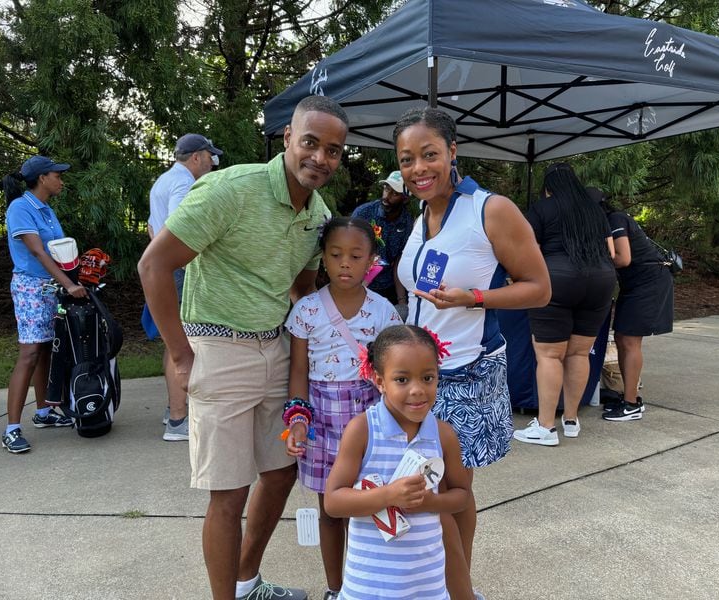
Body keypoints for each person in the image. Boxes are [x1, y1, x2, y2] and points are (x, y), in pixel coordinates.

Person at [138, 94, 348, 600]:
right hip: (218, 347)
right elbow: (153, 265)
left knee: (281, 474)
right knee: (229, 493)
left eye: (333, 150)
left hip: (275, 349)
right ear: (288, 140)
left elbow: (301, 290)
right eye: (310, 143)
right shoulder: (231, 189)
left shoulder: (318, 215)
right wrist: (183, 354)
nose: (320, 158)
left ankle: (246, 581)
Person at [393, 107, 551, 597]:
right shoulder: (422, 215)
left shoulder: (491, 209)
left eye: (429, 155)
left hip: (465, 374)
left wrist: (475, 297)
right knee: (424, 487)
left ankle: (458, 591)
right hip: (417, 376)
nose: (418, 169)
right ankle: (436, 582)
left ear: (453, 152)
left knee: (452, 492)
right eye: (406, 159)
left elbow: (539, 288)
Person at [284, 216, 402, 600]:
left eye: (355, 255)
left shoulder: (384, 312)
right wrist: (298, 421)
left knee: (373, 505)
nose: (345, 264)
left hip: (370, 420)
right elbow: (299, 370)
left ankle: (368, 586)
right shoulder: (306, 311)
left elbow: (392, 373)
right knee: (331, 511)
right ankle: (336, 590)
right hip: (321, 419)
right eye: (335, 255)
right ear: (323, 258)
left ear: (372, 261)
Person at [324, 324, 471, 600]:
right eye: (402, 380)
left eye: (427, 378)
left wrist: (430, 503)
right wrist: (389, 495)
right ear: (379, 381)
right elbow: (333, 501)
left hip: (426, 585)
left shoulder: (443, 435)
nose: (417, 390)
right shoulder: (363, 430)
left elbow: (462, 497)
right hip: (369, 586)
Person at [513, 163, 616, 447]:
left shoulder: (543, 208)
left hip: (557, 280)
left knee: (549, 356)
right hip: (601, 281)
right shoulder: (595, 209)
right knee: (579, 354)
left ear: (548, 188)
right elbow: (611, 251)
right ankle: (571, 420)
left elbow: (525, 247)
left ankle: (545, 426)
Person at [1, 155, 88, 453]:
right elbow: (38, 252)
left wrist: (78, 275)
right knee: (29, 353)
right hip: (31, 288)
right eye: (56, 175)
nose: (61, 180)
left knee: (46, 350)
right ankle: (11, 429)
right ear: (41, 178)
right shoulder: (21, 208)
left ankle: (44, 411)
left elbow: (59, 250)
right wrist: (69, 284)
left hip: (51, 287)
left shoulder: (47, 210)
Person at [147, 133, 223, 442]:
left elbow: (154, 228)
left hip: (168, 269)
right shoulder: (184, 184)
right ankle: (178, 419)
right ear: (196, 157)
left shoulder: (163, 181)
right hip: (180, 271)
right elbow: (183, 227)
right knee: (180, 343)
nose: (212, 162)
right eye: (209, 156)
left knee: (173, 340)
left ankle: (173, 410)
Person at [589, 187, 674, 422]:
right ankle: (630, 397)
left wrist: (594, 260)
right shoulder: (611, 222)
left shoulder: (615, 220)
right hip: (637, 284)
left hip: (649, 282)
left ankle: (631, 404)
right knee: (622, 338)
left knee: (629, 339)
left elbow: (623, 258)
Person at [351, 170, 414, 309]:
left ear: (405, 198)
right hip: (357, 285)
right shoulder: (364, 213)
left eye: (395, 193)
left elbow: (399, 260)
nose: (387, 196)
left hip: (387, 291)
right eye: (386, 189)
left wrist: (401, 300)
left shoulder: (407, 224)